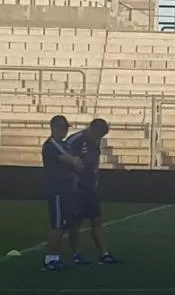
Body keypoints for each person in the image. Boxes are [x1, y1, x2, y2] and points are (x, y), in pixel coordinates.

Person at [65, 118, 120, 264]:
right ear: (93, 129)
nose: (100, 138)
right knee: (76, 222)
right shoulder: (75, 140)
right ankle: (75, 253)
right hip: (76, 187)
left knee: (97, 219)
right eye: (100, 134)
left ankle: (104, 253)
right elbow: (65, 159)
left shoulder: (95, 142)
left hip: (90, 187)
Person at [42, 115, 83, 270]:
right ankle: (50, 259)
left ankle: (55, 257)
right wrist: (74, 162)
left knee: (62, 225)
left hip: (67, 190)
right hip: (57, 190)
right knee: (57, 225)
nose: (66, 131)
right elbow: (74, 162)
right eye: (64, 127)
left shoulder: (63, 145)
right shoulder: (53, 144)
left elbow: (78, 163)